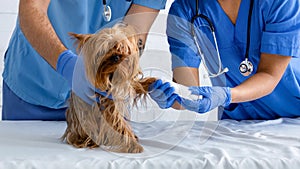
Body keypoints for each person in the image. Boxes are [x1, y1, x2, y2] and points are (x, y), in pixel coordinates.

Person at [2, 0, 178, 120]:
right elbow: (32, 9)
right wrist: (66, 64)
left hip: (104, 102)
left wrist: (132, 83)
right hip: (36, 85)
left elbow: (136, 30)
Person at [167, 0, 300, 120]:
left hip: (294, 115)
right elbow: (188, 92)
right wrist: (169, 94)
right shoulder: (184, 10)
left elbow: (270, 74)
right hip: (239, 123)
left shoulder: (280, 2)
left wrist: (227, 95)